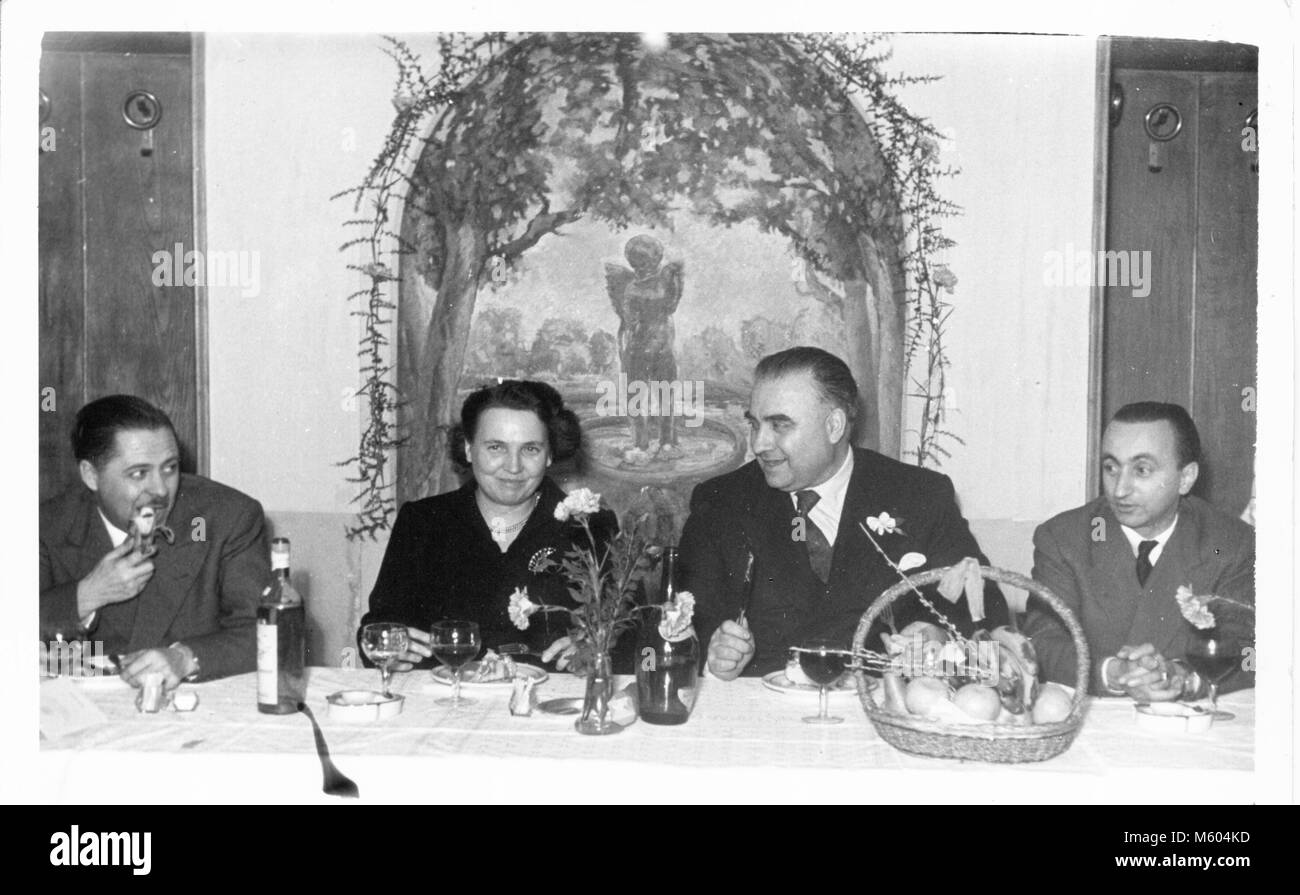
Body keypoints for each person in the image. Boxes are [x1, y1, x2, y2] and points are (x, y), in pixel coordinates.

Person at [679, 347, 1008, 679]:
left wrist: (937, 635)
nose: (759, 444)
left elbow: (986, 613)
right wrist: (716, 656)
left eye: (780, 426)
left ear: (834, 425)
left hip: (881, 716)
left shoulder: (919, 494)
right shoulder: (720, 503)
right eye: (754, 424)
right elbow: (686, 626)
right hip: (766, 718)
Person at [358, 380, 618, 671]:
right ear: (468, 449)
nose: (513, 466)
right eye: (496, 447)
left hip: (548, 707)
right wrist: (389, 643)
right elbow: (378, 626)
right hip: (446, 703)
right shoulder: (422, 522)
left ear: (550, 455)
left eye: (530, 449)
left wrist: (597, 645)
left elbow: (629, 630)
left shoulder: (591, 527)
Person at [1025, 402, 1255, 700]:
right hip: (1095, 722)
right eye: (1111, 468)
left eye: (1141, 470)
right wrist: (1112, 672)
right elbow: (1042, 641)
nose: (1120, 489)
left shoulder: (1233, 543)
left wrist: (1183, 679)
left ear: (1185, 478)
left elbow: (1250, 651)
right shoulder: (1063, 539)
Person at [40, 395, 270, 691]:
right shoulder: (46, 525)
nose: (161, 489)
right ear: (91, 475)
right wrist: (86, 596)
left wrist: (185, 658)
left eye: (170, 468)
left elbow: (266, 631)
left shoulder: (229, 518)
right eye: (139, 473)